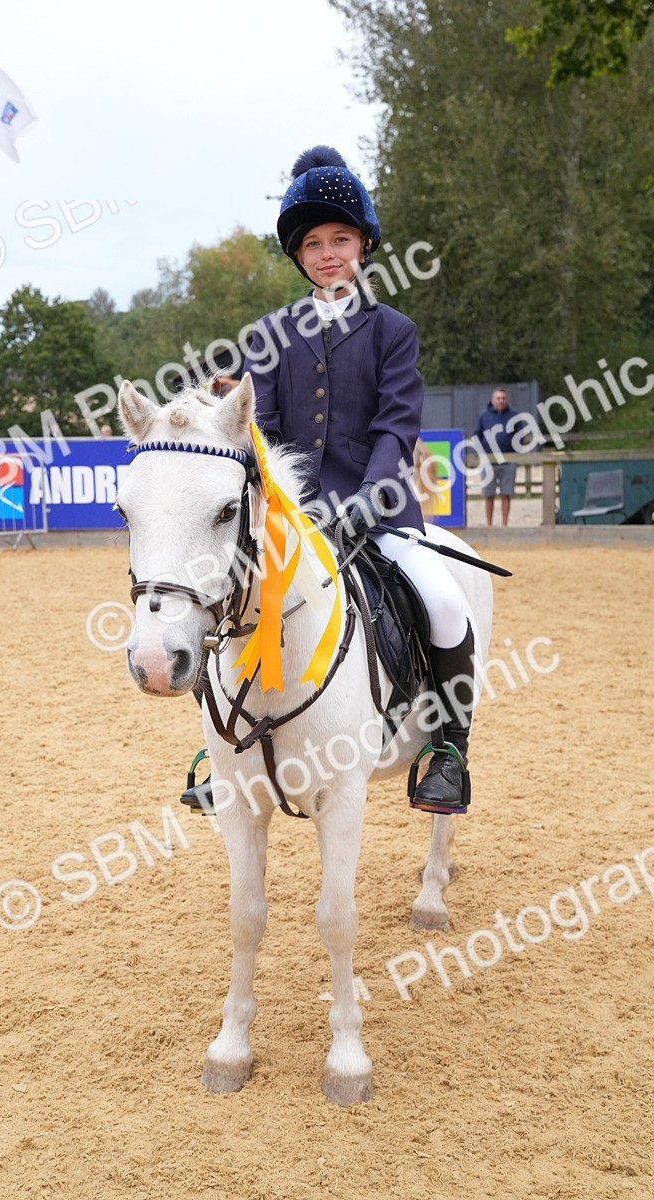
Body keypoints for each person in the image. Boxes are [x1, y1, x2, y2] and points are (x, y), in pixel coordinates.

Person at [184, 145, 476, 816]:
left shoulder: (393, 331)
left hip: (380, 513)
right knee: (223, 599)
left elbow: (396, 426)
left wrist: (365, 499)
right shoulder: (268, 336)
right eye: (312, 243)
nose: (326, 252)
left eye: (340, 238)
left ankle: (449, 750)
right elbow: (273, 432)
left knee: (444, 600)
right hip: (292, 519)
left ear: (365, 244)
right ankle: (219, 749)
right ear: (298, 255)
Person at [474, 389, 520, 526]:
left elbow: (521, 434)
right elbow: (477, 435)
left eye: (503, 398)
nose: (501, 401)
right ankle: (489, 525)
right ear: (493, 400)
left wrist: (517, 452)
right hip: (488, 461)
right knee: (489, 495)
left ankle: (504, 525)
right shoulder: (483, 416)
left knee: (506, 494)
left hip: (508, 461)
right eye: (498, 398)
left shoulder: (514, 415)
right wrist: (481, 453)